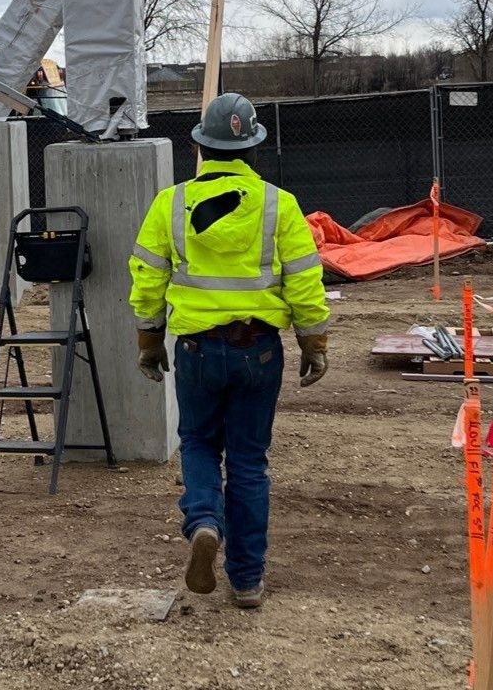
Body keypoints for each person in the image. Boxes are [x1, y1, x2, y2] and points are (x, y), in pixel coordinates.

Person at [127, 92, 329, 609]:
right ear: (253, 148)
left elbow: (147, 276)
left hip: (196, 349)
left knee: (197, 443)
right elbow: (305, 280)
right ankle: (246, 581)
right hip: (258, 351)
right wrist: (313, 340)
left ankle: (203, 523)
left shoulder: (170, 204)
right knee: (247, 461)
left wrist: (150, 339)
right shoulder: (279, 205)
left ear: (200, 146)